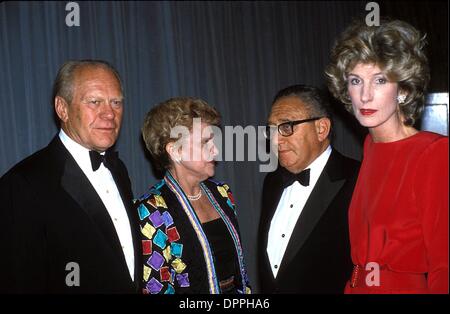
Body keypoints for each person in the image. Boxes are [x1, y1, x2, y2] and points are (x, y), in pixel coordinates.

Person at [326, 19, 448, 294]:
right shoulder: (371, 147)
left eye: (380, 80)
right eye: (356, 81)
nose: (365, 95)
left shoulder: (433, 152)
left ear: (403, 90)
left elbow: (445, 264)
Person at [0, 60, 142, 293]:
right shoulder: (22, 185)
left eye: (116, 102)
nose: (109, 113)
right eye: (94, 102)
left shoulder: (119, 170)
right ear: (62, 108)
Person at [137, 96, 251, 294]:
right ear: (174, 151)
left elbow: (240, 272)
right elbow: (156, 287)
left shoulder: (222, 193)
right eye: (205, 142)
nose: (215, 149)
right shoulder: (152, 210)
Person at [258, 84, 360, 293]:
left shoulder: (359, 179)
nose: (276, 139)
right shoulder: (273, 182)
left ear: (321, 129)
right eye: (271, 129)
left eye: (287, 126)